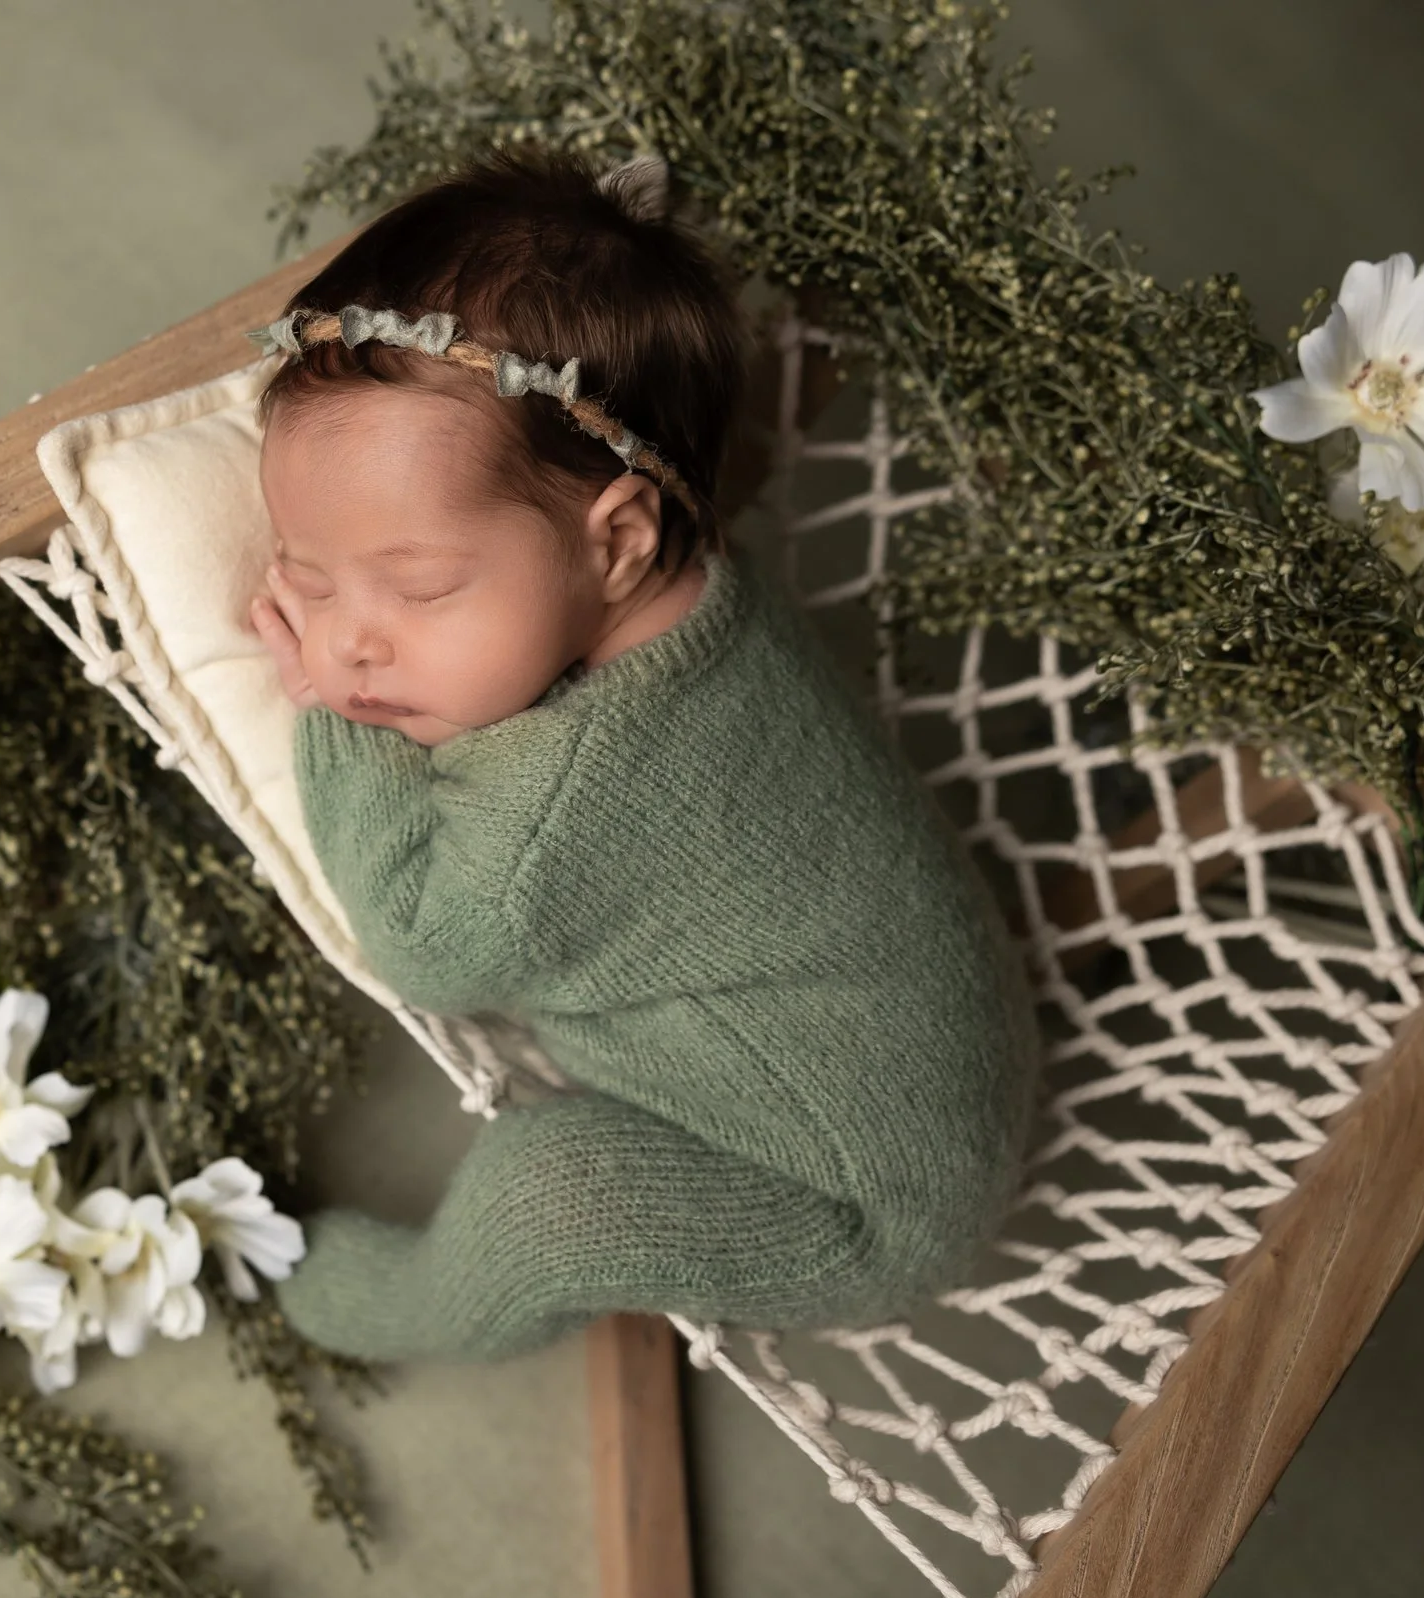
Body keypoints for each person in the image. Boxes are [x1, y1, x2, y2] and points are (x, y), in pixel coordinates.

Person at [245, 148, 1040, 1361]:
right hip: (927, 1055)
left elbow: (422, 942)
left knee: (553, 1191)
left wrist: (329, 716)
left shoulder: (562, 802)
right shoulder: (690, 582)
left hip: (843, 1197)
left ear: (619, 537)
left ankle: (374, 1311)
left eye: (415, 586)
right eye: (306, 579)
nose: (350, 639)